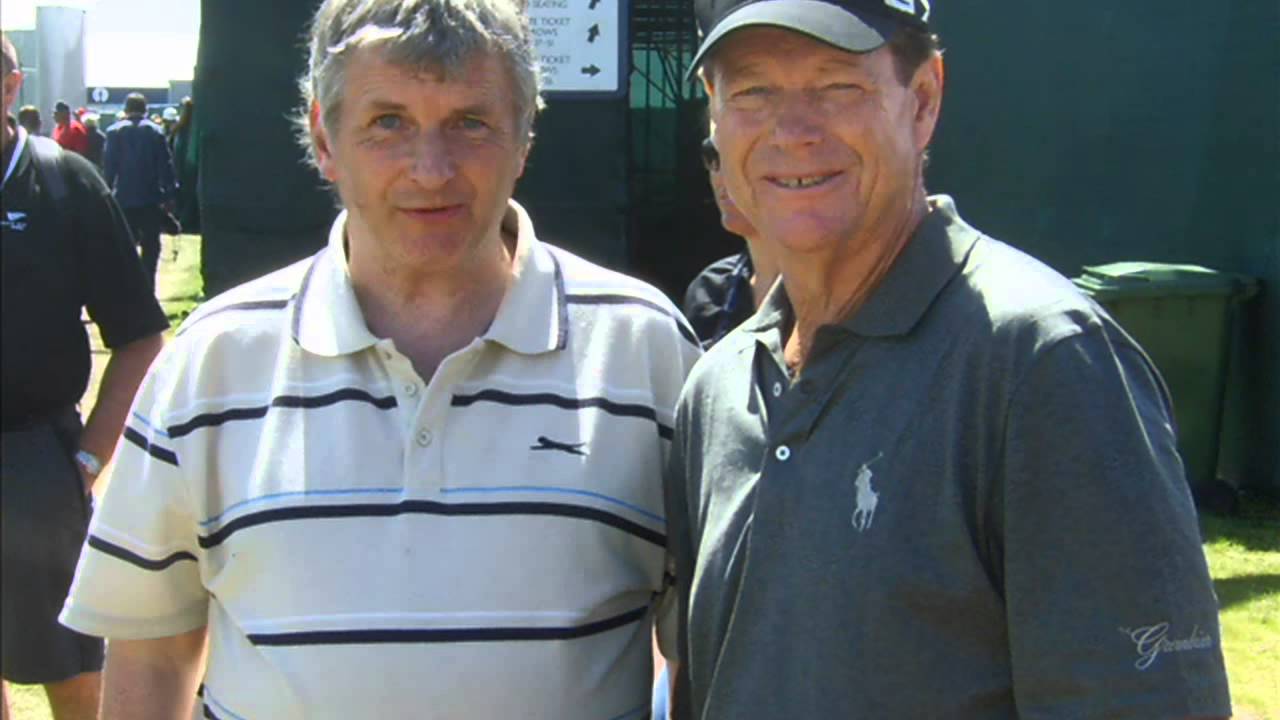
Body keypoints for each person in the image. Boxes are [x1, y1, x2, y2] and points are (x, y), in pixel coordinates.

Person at [58, 1, 700, 718]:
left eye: (470, 122)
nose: (431, 169)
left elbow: (699, 652)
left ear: (524, 138)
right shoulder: (210, 363)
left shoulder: (646, 352)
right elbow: (152, 651)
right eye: (388, 122)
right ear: (324, 139)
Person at [663, 1, 1233, 718]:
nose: (792, 130)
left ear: (924, 99)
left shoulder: (1042, 364)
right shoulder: (718, 387)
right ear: (714, 117)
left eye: (838, 85)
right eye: (752, 91)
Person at [0, 33, 167, 720]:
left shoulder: (65, 181)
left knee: (67, 663)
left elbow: (138, 336)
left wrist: (86, 459)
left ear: (10, 88)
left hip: (34, 462)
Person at [682, 136, 779, 349]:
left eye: (742, 155)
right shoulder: (711, 289)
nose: (722, 175)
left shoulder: (847, 293)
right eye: (714, 157)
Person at [103, 92, 177, 288]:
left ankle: (127, 288)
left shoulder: (113, 132)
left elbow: (109, 168)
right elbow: (165, 165)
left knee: (125, 246)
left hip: (123, 199)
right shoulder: (156, 132)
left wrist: (106, 195)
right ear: (145, 110)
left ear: (126, 110)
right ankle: (148, 287)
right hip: (150, 198)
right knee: (151, 247)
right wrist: (170, 194)